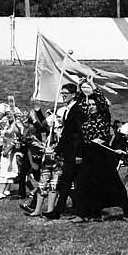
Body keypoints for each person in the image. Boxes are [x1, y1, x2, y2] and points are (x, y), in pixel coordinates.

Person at [70, 85, 128, 222]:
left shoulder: (104, 116)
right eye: (89, 104)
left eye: (94, 104)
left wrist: (93, 87)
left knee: (113, 183)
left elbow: (103, 102)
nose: (91, 106)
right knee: (83, 183)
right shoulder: (85, 118)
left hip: (102, 154)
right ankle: (85, 214)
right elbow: (80, 102)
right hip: (88, 153)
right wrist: (80, 88)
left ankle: (127, 210)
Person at [43, 83, 83, 220]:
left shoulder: (77, 110)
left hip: (75, 153)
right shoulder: (67, 110)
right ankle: (59, 211)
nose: (63, 96)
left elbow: (78, 134)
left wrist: (78, 154)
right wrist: (58, 150)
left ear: (73, 95)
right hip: (68, 153)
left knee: (72, 183)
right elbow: (66, 134)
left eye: (66, 93)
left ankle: (77, 211)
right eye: (62, 93)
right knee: (66, 183)